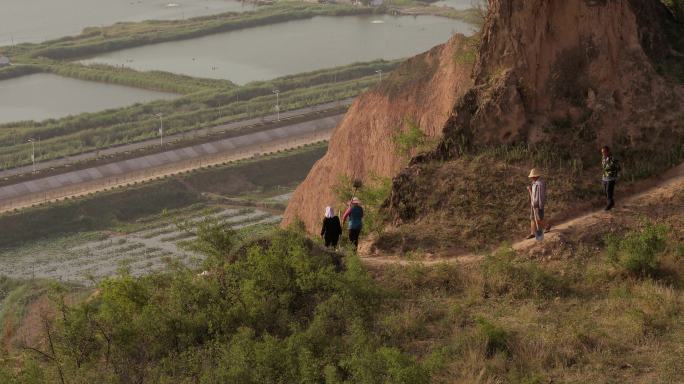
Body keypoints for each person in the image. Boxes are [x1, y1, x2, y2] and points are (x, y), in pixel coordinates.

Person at [526, 168, 547, 240]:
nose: (531, 178)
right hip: (533, 203)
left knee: (539, 218)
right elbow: (533, 194)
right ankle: (532, 233)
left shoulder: (540, 184)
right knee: (532, 218)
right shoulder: (534, 183)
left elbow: (541, 196)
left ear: (535, 176)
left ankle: (546, 227)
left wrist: (539, 205)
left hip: (538, 204)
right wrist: (530, 189)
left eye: (532, 177)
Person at [601, 146, 621, 211]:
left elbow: (618, 167)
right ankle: (611, 203)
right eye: (602, 152)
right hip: (605, 178)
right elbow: (604, 168)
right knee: (605, 192)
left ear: (608, 151)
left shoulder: (613, 159)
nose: (603, 153)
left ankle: (609, 205)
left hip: (611, 178)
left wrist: (617, 175)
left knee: (609, 191)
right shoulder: (603, 158)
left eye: (604, 152)